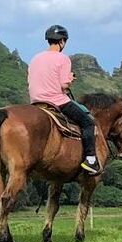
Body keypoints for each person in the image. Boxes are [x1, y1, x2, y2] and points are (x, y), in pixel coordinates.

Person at [27, 25, 100, 175]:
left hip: (35, 102)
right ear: (62, 41)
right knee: (88, 122)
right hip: (56, 101)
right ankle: (91, 159)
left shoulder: (35, 58)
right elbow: (63, 86)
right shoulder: (63, 58)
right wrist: (70, 80)